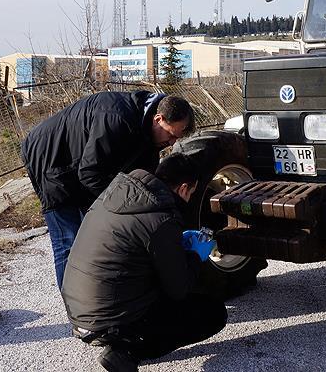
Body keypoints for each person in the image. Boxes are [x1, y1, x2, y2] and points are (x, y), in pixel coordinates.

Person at [61, 153, 225, 372]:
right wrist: (195, 255)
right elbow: (179, 288)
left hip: (78, 312)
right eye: (192, 193)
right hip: (107, 320)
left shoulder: (118, 195)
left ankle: (117, 337)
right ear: (185, 188)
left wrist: (175, 244)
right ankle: (126, 352)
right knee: (213, 313)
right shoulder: (161, 218)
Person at [21, 91, 195, 289]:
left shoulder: (148, 132)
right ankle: (76, 309)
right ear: (158, 119)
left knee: (93, 236)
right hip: (50, 160)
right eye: (171, 135)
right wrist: (122, 206)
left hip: (81, 162)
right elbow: (90, 173)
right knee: (69, 241)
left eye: (176, 138)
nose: (172, 143)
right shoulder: (116, 118)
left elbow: (142, 182)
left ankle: (93, 295)